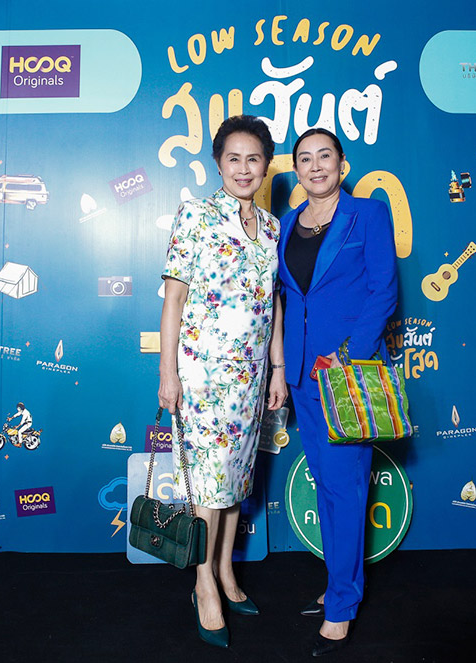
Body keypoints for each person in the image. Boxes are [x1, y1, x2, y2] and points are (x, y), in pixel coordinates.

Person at [158, 115, 288, 649]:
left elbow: (273, 303)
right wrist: (168, 373)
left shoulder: (273, 227)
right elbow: (174, 298)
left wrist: (277, 368)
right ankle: (203, 583)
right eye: (233, 158)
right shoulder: (196, 214)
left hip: (250, 376)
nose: (243, 168)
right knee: (210, 485)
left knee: (236, 481)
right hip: (204, 374)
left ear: (266, 165)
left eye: (253, 158)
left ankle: (227, 571)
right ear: (218, 164)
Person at [277, 128, 398, 657]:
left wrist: (348, 353)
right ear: (296, 170)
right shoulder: (286, 224)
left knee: (346, 488)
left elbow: (383, 289)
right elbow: (285, 300)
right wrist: (281, 367)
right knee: (327, 485)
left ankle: (342, 607)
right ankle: (337, 585)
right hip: (302, 373)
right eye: (305, 158)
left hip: (345, 373)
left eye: (324, 156)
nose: (316, 166)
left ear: (342, 164)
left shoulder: (367, 213)